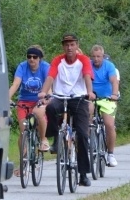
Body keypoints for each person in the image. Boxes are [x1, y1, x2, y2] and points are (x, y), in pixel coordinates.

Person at [38, 33, 96, 187]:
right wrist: (44, 92)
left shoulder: (83, 60)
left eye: (72, 44)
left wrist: (89, 92)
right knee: (49, 108)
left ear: (77, 45)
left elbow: (87, 75)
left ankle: (83, 174)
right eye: (66, 45)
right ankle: (56, 137)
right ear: (63, 47)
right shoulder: (58, 60)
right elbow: (50, 77)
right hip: (60, 96)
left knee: (83, 135)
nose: (69, 47)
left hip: (79, 98)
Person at [8, 45, 50, 160]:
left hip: (39, 101)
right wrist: (7, 98)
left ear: (39, 58)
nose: (31, 59)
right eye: (29, 56)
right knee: (23, 132)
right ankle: (24, 161)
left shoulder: (45, 67)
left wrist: (46, 98)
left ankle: (43, 139)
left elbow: (49, 84)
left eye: (35, 57)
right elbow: (16, 84)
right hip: (24, 101)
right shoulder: (22, 66)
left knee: (40, 114)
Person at [89, 45, 120, 166]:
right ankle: (88, 139)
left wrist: (114, 94)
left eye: (99, 56)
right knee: (86, 116)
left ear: (103, 56)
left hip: (107, 98)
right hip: (91, 97)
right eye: (94, 56)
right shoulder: (88, 65)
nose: (96, 59)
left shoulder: (109, 66)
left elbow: (114, 81)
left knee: (109, 125)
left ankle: (111, 154)